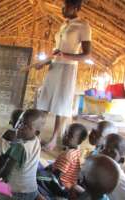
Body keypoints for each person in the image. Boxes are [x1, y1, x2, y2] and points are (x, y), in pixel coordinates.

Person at [23, 0, 92, 150]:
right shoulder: (64, 25)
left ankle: (53, 140)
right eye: (62, 6)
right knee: (44, 101)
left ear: (75, 7)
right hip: (55, 66)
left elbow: (86, 54)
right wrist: (45, 62)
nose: (62, 9)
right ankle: (36, 135)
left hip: (68, 68)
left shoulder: (83, 25)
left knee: (61, 104)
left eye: (66, 6)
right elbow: (57, 52)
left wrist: (65, 56)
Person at [0, 109, 46, 200]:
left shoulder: (20, 147)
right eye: (21, 123)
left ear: (36, 132)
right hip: (32, 189)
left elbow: (7, 169)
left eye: (26, 126)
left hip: (18, 192)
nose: (20, 127)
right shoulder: (36, 142)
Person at [51, 123, 88, 197]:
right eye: (65, 133)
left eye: (70, 136)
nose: (65, 137)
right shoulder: (76, 152)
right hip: (70, 185)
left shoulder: (67, 155)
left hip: (62, 187)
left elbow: (56, 175)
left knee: (38, 178)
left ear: (79, 141)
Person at [100, 134, 125, 200]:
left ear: (121, 160)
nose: (103, 152)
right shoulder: (104, 166)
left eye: (111, 151)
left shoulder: (117, 178)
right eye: (102, 147)